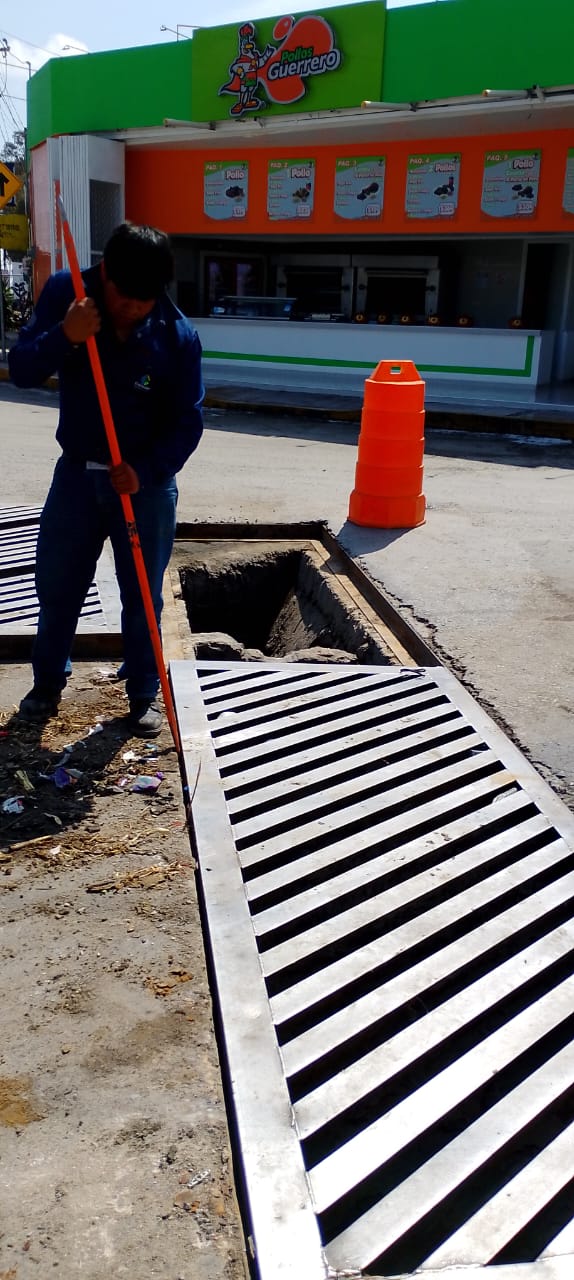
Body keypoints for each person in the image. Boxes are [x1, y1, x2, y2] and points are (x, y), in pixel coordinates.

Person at [9, 221, 204, 737]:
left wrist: (146, 471)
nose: (132, 309)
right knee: (56, 586)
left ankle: (142, 692)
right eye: (124, 297)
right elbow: (23, 367)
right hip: (76, 475)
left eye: (145, 300)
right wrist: (65, 336)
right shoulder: (68, 294)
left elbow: (188, 421)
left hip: (144, 486)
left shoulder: (176, 335)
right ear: (105, 275)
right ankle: (47, 685)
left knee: (142, 594)